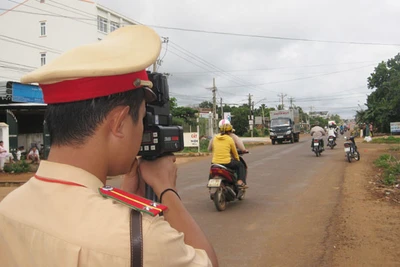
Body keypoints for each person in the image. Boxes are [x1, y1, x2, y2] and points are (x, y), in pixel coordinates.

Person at [0, 25, 218, 267]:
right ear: (119, 122)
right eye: (142, 118)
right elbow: (208, 262)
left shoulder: (9, 207)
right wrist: (168, 191)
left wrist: (126, 198)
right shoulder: (144, 239)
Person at [209, 120, 247, 188]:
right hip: (227, 162)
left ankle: (210, 181)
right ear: (230, 131)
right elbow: (235, 153)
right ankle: (240, 182)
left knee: (212, 169)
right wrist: (237, 159)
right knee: (240, 165)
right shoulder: (230, 138)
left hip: (215, 162)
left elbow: (209, 148)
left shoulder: (215, 138)